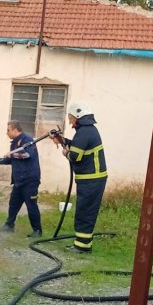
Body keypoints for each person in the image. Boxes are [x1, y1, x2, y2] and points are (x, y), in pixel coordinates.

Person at [51, 102, 107, 253]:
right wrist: (62, 140)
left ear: (78, 116)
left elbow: (75, 155)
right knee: (85, 210)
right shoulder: (87, 131)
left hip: (91, 180)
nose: (70, 122)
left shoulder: (84, 132)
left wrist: (66, 154)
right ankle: (83, 244)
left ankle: (81, 247)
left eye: (71, 118)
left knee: (85, 211)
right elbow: (77, 145)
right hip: (90, 179)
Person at [0, 120, 42, 237]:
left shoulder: (27, 140)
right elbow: (13, 159)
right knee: (13, 203)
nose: (6, 133)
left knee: (31, 205)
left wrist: (12, 154)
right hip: (19, 180)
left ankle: (37, 230)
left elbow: (27, 155)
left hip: (30, 180)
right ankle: (9, 225)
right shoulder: (14, 143)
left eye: (8, 130)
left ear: (15, 130)